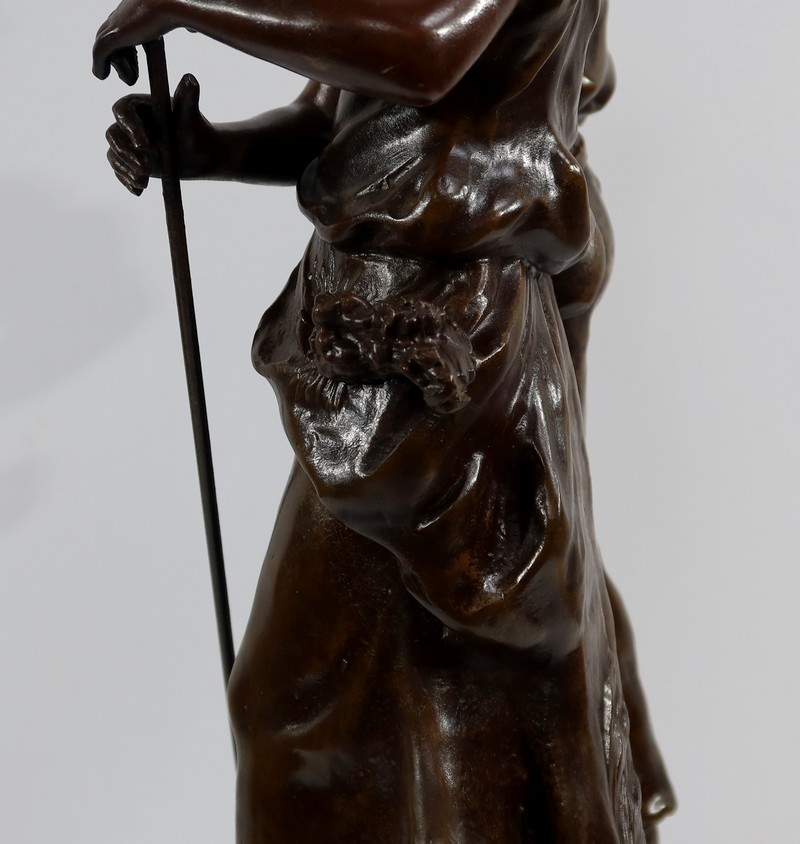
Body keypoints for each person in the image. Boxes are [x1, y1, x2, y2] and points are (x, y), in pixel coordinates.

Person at [94, 1, 675, 841]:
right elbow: (346, 112)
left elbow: (425, 50)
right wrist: (211, 148)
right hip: (366, 342)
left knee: (409, 705)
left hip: (449, 348)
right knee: (330, 710)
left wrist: (189, 5)